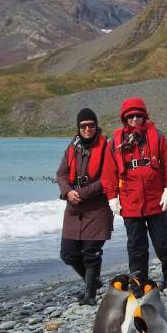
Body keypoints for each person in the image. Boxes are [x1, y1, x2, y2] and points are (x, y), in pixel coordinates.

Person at [108, 97, 167, 289]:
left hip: (156, 200)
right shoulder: (115, 141)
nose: (134, 119)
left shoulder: (157, 136)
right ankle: (139, 282)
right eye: (130, 116)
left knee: (162, 242)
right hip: (130, 202)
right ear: (124, 119)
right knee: (136, 245)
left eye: (138, 116)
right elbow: (109, 173)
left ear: (144, 116)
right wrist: (112, 197)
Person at [56, 108, 118, 305]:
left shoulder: (106, 147)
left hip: (97, 208)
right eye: (83, 126)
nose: (87, 129)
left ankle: (90, 295)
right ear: (78, 127)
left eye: (91, 125)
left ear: (96, 125)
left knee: (91, 253)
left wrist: (80, 193)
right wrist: (67, 191)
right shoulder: (71, 148)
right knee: (68, 253)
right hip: (74, 208)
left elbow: (106, 178)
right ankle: (93, 282)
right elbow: (61, 174)